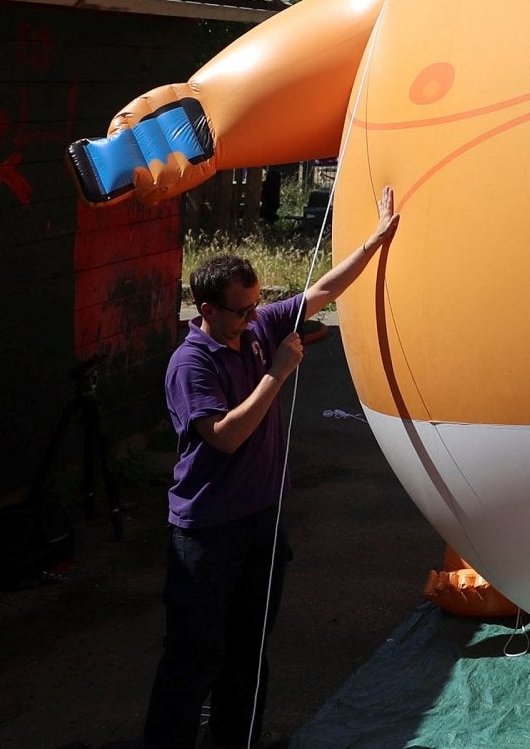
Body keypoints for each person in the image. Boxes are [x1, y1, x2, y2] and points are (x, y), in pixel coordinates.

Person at [141, 189, 400, 749]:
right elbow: (228, 436)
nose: (255, 316)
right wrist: (277, 373)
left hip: (261, 521)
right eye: (243, 308)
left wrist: (375, 240)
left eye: (259, 304)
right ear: (207, 309)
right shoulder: (192, 364)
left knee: (248, 653)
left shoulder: (255, 327)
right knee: (194, 659)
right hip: (207, 533)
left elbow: (323, 289)